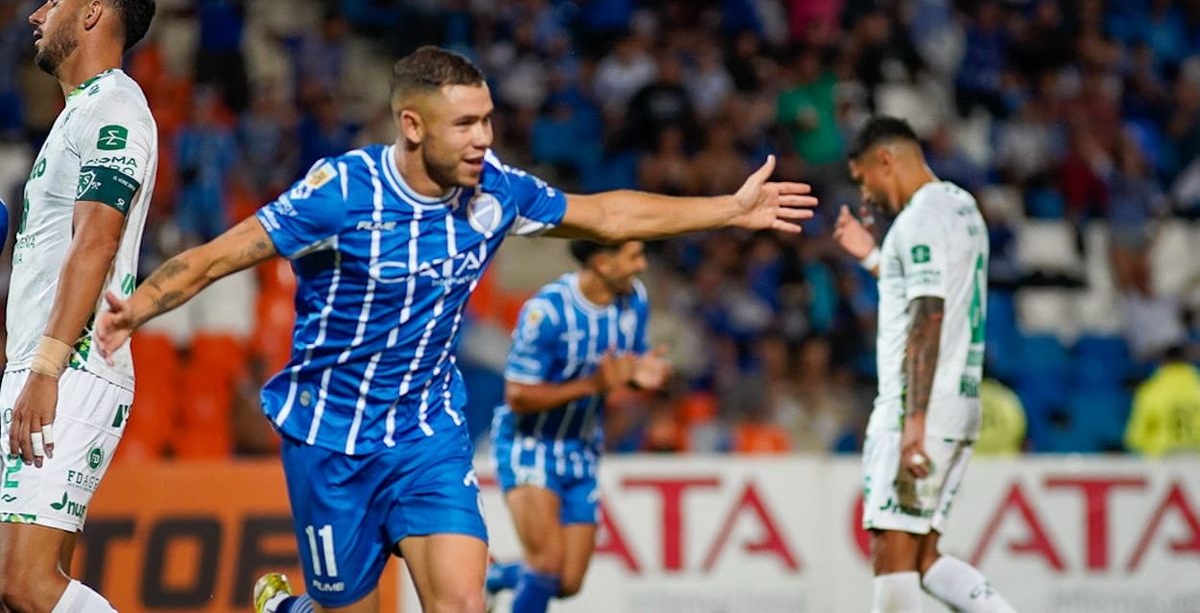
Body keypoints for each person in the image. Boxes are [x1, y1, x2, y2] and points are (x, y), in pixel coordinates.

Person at [94, 46, 817, 613]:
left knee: (465, 602)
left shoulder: (495, 191)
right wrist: (140, 306)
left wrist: (728, 209)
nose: (483, 139)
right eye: (466, 125)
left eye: (487, 120)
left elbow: (606, 214)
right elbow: (221, 255)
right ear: (413, 126)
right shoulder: (341, 192)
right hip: (331, 440)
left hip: (427, 434)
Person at [0, 0, 156, 613]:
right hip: (44, 364)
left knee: (26, 585)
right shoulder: (78, 113)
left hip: (73, 366)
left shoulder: (115, 108)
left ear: (92, 14)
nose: (37, 14)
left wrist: (46, 366)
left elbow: (97, 240)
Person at [833, 116, 1014, 613]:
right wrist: (873, 259)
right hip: (959, 403)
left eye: (863, 179)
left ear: (884, 161)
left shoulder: (918, 220)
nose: (865, 195)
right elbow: (933, 293)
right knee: (924, 558)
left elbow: (928, 316)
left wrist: (913, 421)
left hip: (917, 409)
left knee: (891, 556)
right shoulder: (962, 206)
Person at [486, 240, 669, 612]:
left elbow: (626, 366)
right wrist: (593, 386)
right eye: (633, 256)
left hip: (581, 447)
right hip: (530, 443)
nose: (642, 265)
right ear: (603, 262)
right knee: (545, 564)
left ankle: (497, 576)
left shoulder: (634, 299)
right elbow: (518, 395)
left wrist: (640, 376)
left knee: (567, 581)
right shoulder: (547, 311)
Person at [1125, 345, 1200, 456]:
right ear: (1189, 362)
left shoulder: (1151, 390)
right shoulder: (1197, 385)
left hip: (1163, 457)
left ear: (1163, 363)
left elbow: (1136, 436)